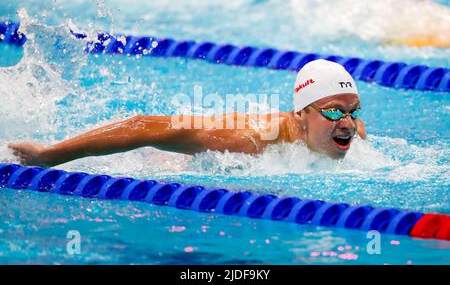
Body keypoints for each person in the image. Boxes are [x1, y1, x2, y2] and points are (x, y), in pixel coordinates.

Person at [8, 59, 366, 167]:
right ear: (301, 114)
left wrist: (341, 117)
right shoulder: (249, 140)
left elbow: (350, 123)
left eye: (352, 111)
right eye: (335, 113)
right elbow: (142, 126)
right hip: (158, 160)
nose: (347, 124)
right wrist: (49, 154)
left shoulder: (352, 131)